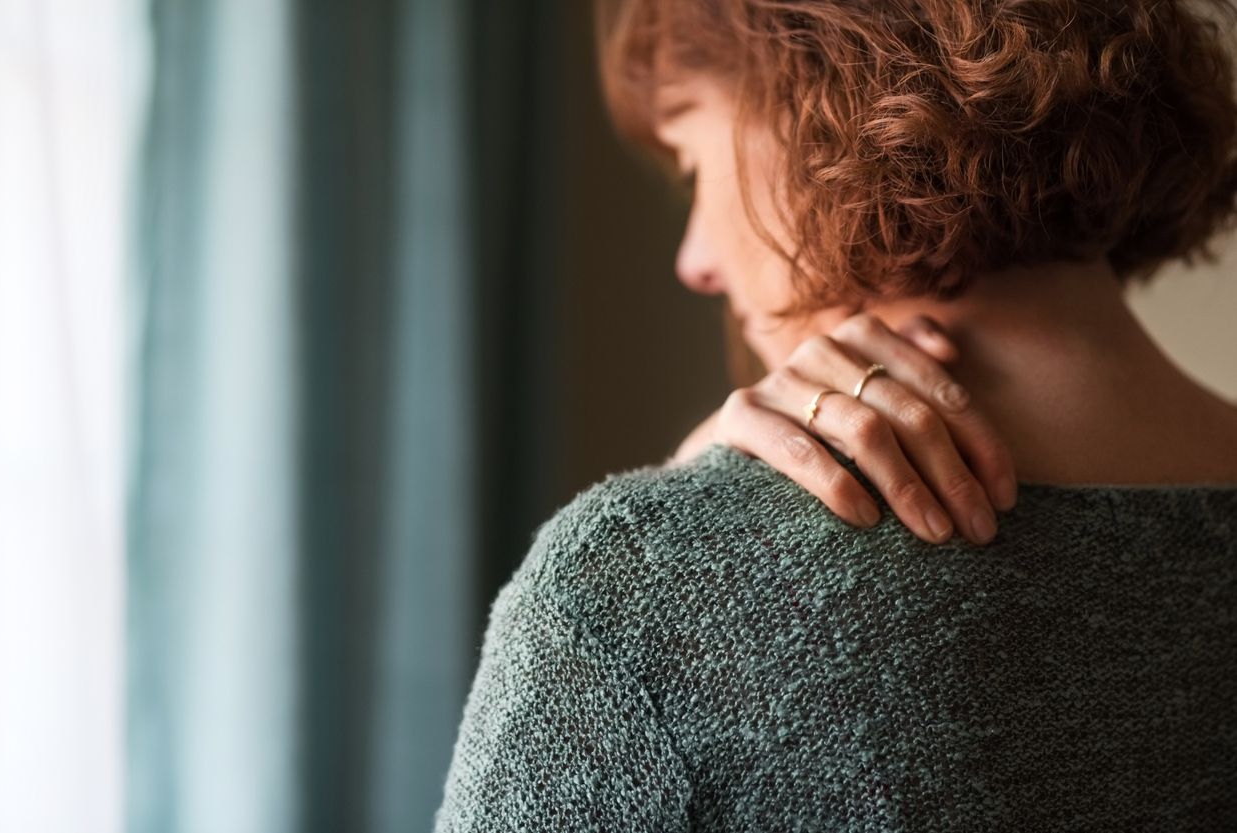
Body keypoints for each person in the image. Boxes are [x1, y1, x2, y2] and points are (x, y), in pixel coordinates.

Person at [434, 0, 1237, 829]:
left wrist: (671, 532)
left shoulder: (631, 588)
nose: (695, 260)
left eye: (691, 164)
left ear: (816, 95)